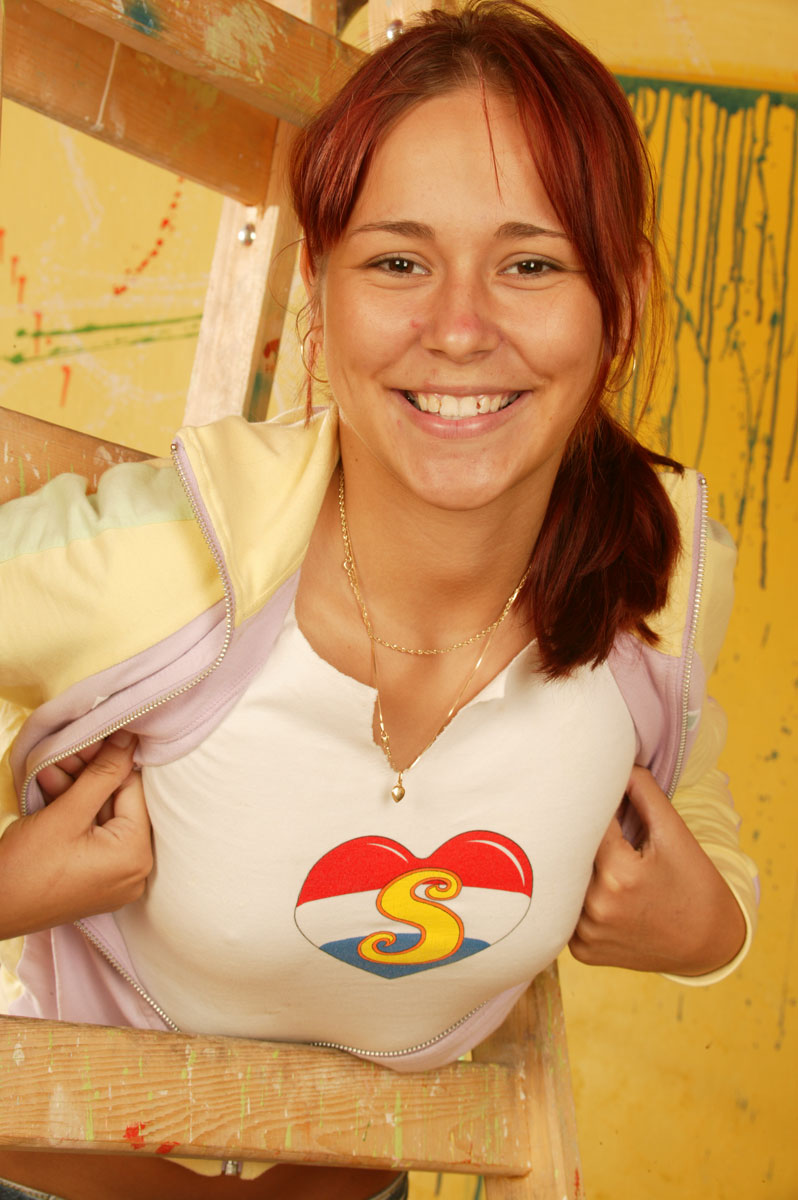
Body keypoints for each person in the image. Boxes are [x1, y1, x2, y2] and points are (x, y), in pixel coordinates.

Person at [0, 2, 758, 1198]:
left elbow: (691, 788)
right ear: (321, 286)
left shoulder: (660, 578)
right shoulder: (165, 568)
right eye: (400, 261)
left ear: (617, 297)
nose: (458, 329)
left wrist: (712, 930)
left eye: (530, 263)